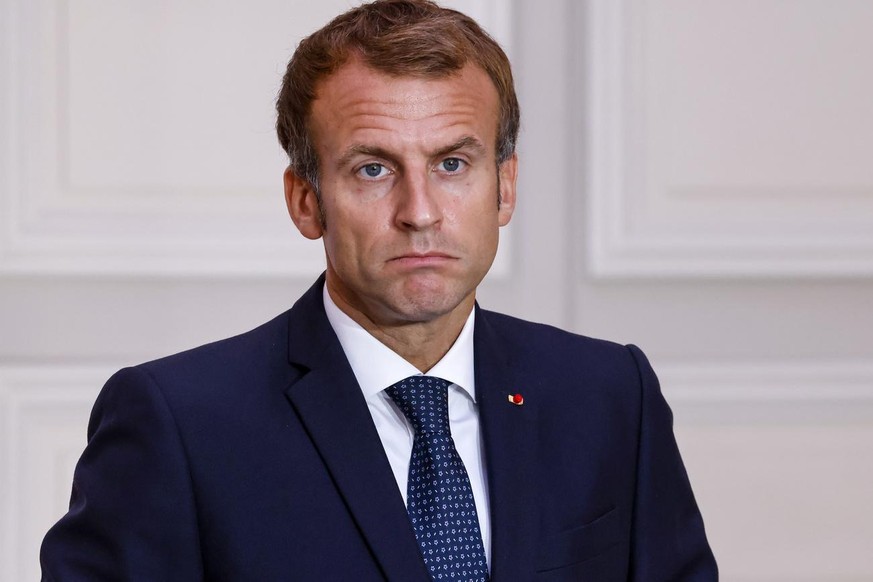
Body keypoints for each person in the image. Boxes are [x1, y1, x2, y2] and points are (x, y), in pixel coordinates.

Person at [40, 1, 718, 580]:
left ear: (504, 186)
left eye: (452, 163)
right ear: (306, 202)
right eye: (372, 169)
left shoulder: (608, 395)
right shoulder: (176, 424)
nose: (419, 211)